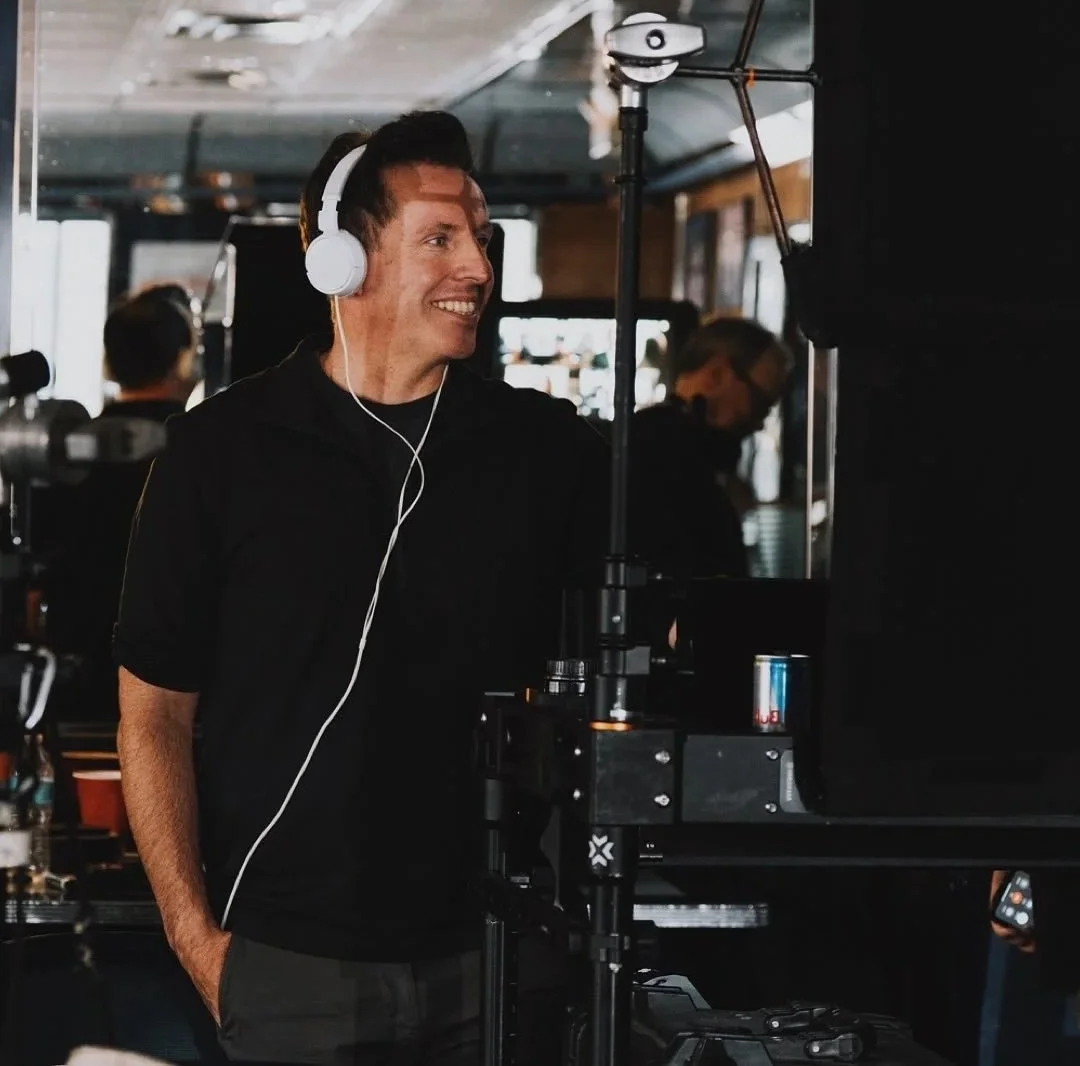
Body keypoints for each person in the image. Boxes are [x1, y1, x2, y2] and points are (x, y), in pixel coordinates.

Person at [114, 111, 607, 1066]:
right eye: (440, 238)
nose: (479, 268)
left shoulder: (549, 453)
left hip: (497, 959)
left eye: (482, 238)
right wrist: (196, 941)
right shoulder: (220, 453)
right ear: (343, 260)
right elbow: (154, 716)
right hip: (287, 965)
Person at [43, 288, 199, 721]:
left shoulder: (60, 450)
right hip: (172, 680)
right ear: (182, 359)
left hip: (72, 669)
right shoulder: (203, 453)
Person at [630, 316, 793, 583]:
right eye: (760, 403)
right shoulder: (665, 454)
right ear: (716, 373)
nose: (760, 423)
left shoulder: (666, 445)